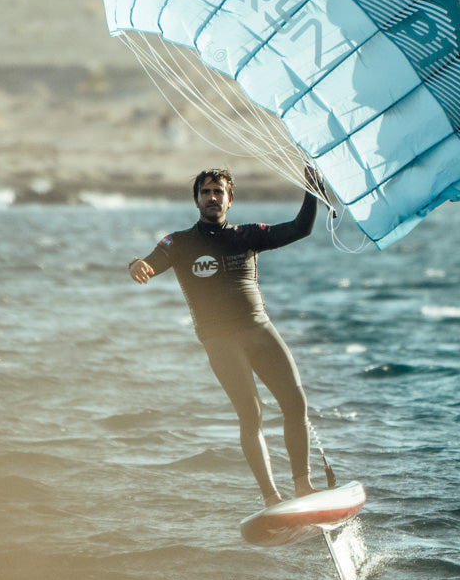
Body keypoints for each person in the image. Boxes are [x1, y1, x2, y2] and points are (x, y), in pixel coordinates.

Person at [128, 165, 327, 506]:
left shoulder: (248, 235)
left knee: (295, 404)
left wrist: (313, 189)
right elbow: (151, 261)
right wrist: (137, 265)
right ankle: (271, 498)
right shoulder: (178, 242)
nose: (211, 197)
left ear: (230, 199)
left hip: (258, 329)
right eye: (205, 192)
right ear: (196, 200)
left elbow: (300, 228)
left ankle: (303, 486)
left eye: (218, 191)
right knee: (251, 415)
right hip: (220, 339)